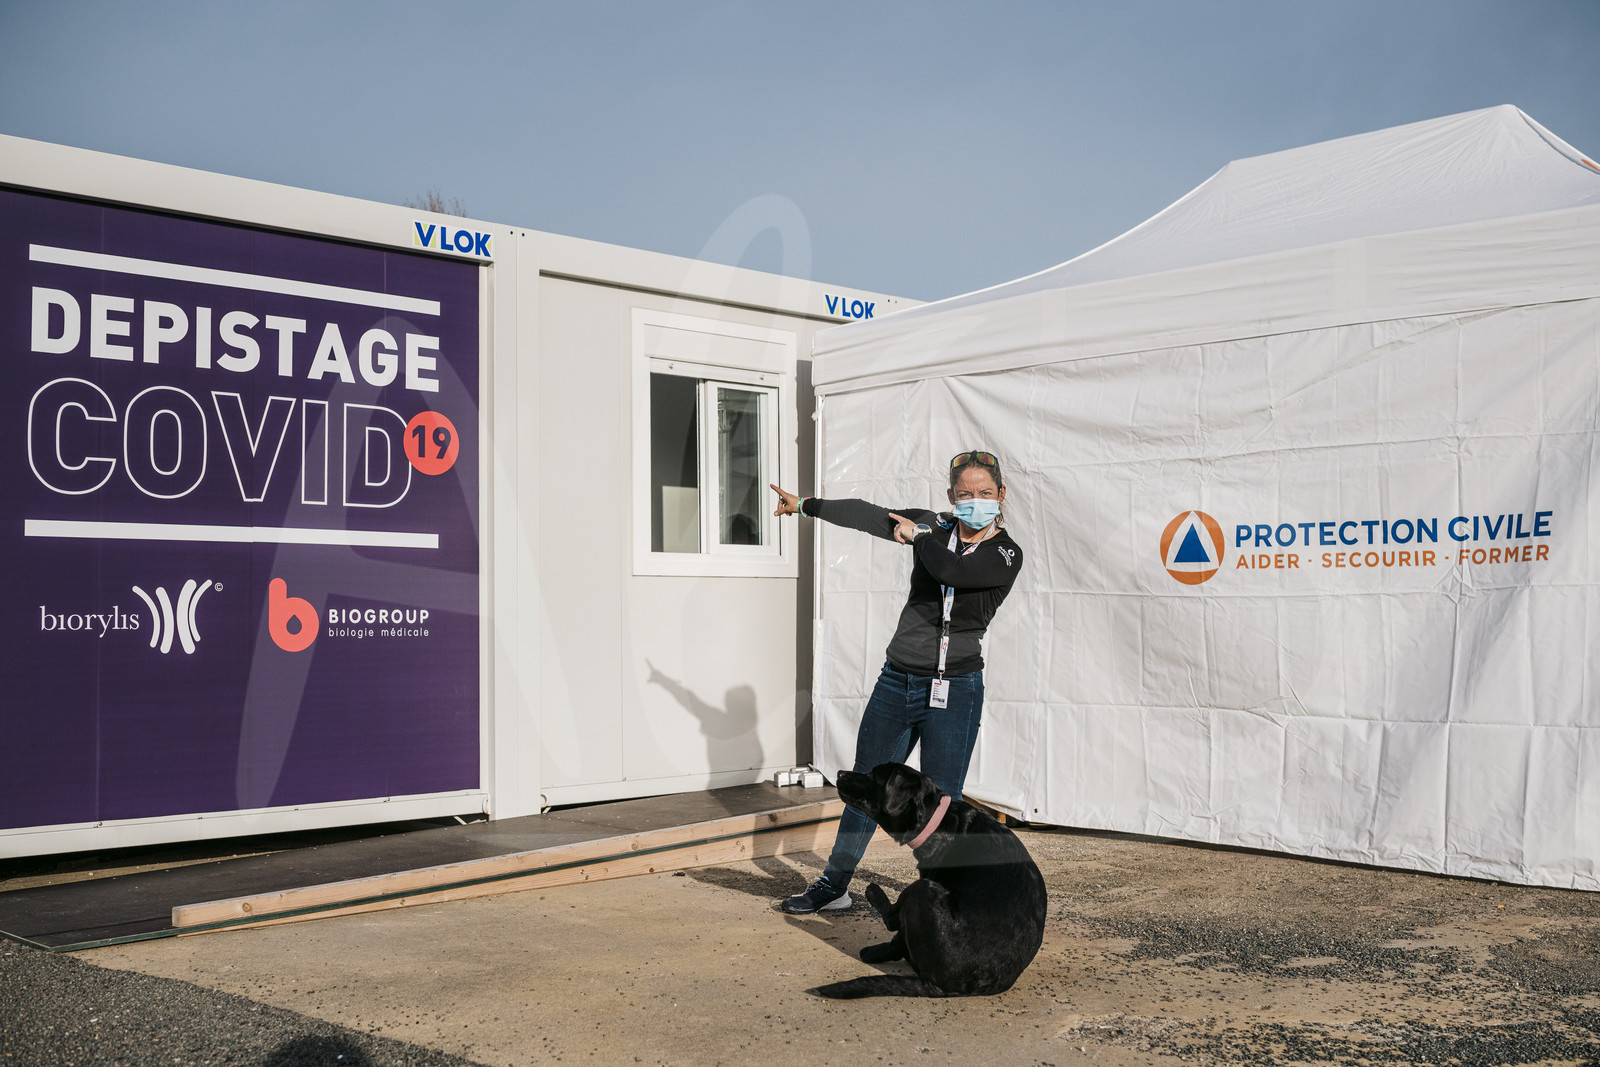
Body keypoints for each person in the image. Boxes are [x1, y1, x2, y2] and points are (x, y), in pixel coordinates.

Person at [769, 450, 1025, 913]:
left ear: (1001, 494)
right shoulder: (934, 526)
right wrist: (806, 505)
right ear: (951, 496)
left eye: (985, 493)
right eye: (964, 494)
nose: (975, 501)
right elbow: (868, 515)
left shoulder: (1005, 553)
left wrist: (918, 537)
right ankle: (834, 885)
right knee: (866, 787)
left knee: (943, 804)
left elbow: (953, 571)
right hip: (897, 682)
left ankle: (943, 900)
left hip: (954, 690)